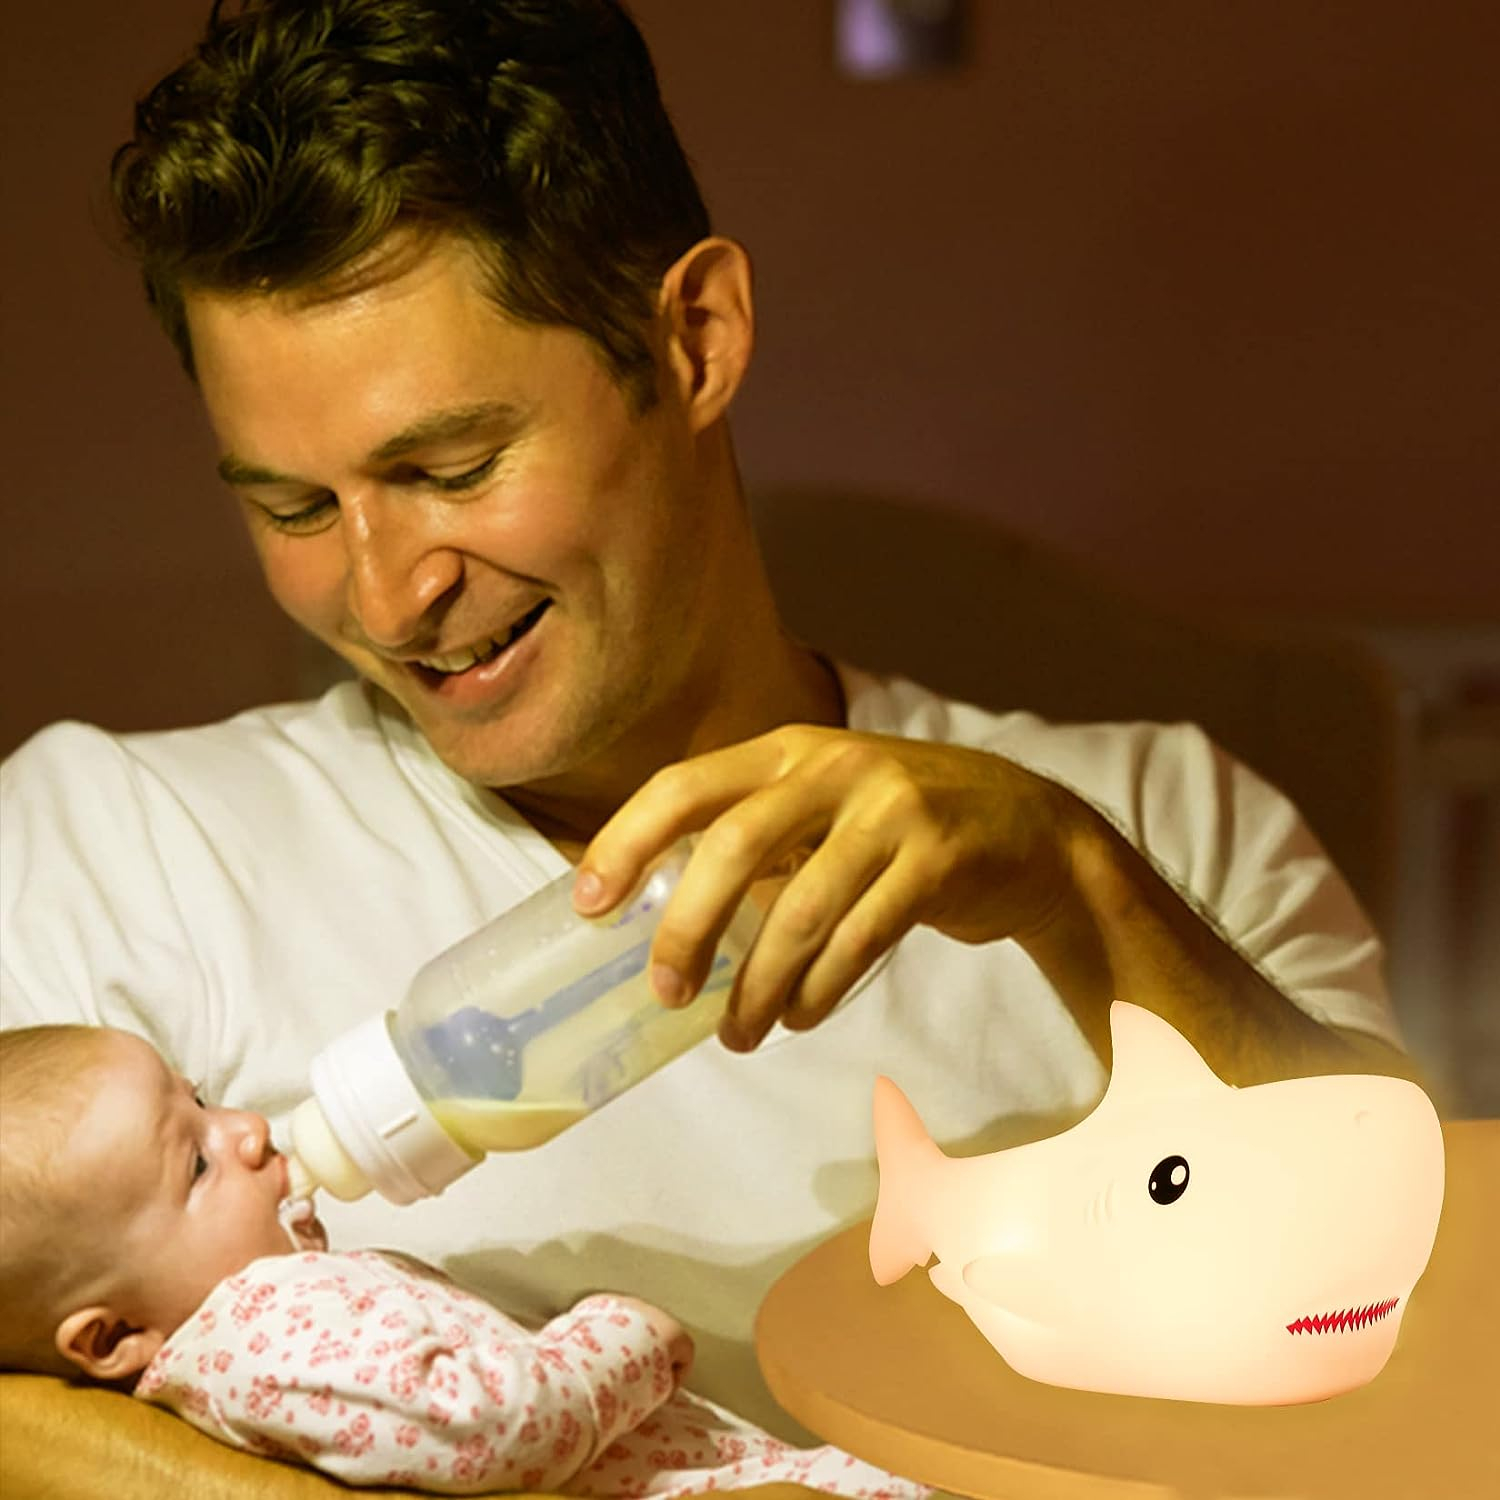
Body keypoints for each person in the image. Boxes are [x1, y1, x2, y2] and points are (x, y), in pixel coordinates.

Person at [0, 0, 1418, 1455]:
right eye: (295, 506)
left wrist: (1078, 891)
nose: (385, 594)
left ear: (693, 340)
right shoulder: (110, 849)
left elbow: (1405, 1345)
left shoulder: (1174, 828)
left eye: (454, 466)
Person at [0, 1022, 928, 1498]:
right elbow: (489, 1428)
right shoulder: (260, 1331)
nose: (244, 1130)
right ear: (112, 1337)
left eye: (202, 1100)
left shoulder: (259, 1319)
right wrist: (623, 1338)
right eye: (196, 1163)